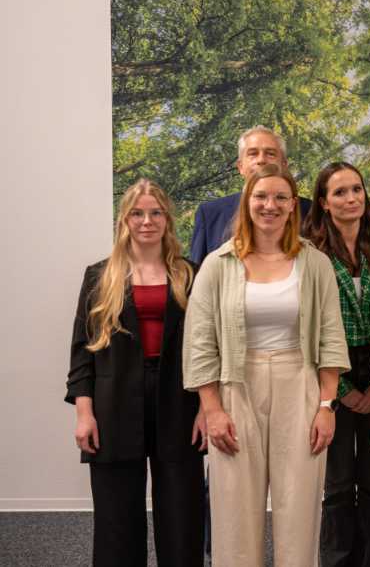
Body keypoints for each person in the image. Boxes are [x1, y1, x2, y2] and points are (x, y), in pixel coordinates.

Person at [183, 163, 350, 567]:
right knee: (234, 508)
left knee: (300, 505)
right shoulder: (218, 264)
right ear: (247, 202)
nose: (269, 205)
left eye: (280, 197)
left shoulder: (315, 263)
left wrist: (326, 407)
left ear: (293, 205)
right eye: (260, 196)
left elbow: (331, 337)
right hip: (236, 385)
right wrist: (212, 410)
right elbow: (200, 342)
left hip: (300, 385)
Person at [66, 179, 206, 566]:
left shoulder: (191, 274)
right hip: (114, 400)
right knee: (117, 518)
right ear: (125, 220)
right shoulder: (99, 276)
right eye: (138, 213)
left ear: (167, 219)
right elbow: (81, 349)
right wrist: (84, 413)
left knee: (182, 512)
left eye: (156, 213)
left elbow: (208, 347)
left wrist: (206, 408)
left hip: (178, 399)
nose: (147, 221)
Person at [304, 162, 370, 567]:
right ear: (324, 203)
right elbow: (306, 326)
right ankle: (339, 561)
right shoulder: (309, 254)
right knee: (339, 484)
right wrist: (341, 391)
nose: (351, 198)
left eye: (357, 189)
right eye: (340, 192)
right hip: (331, 370)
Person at [189, 125, 312, 264]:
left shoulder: (310, 212)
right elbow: (197, 272)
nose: (261, 160)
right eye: (253, 153)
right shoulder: (210, 214)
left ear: (284, 165)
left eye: (270, 154)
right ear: (240, 166)